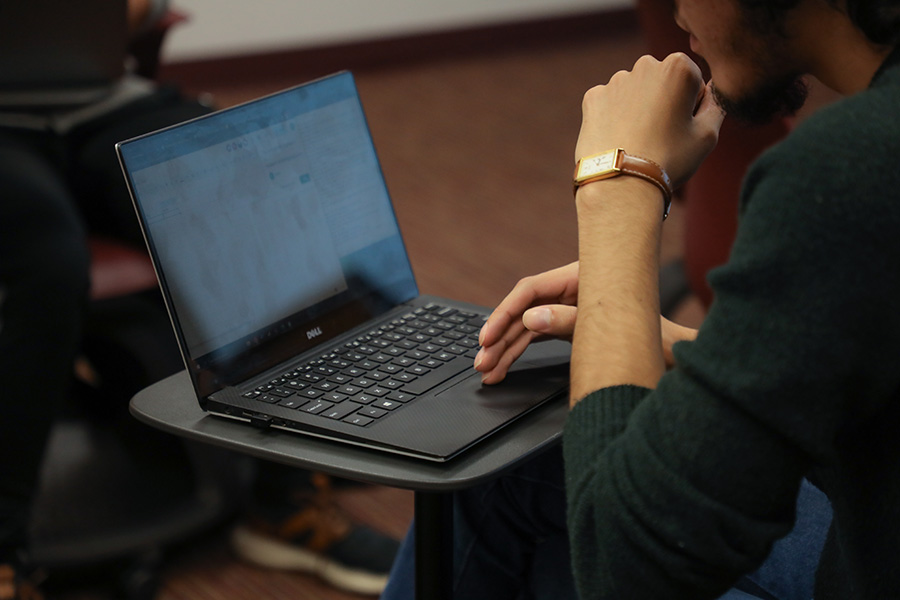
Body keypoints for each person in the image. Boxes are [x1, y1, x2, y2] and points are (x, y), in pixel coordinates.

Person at [382, 0, 900, 597]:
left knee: (547, 494)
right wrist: (722, 352)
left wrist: (620, 183)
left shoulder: (848, 172)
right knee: (513, 476)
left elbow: (626, 571)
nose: (675, 11)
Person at [0, 1, 397, 597]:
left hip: (104, 103)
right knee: (49, 262)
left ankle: (283, 501)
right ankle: (6, 550)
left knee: (242, 204)